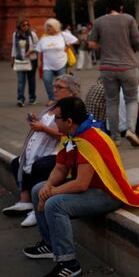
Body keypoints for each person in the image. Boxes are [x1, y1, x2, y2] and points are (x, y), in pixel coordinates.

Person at [23, 97, 139, 277]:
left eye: (57, 118)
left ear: (68, 122)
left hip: (107, 193)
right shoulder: (71, 134)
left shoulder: (89, 139)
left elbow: (81, 184)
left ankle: (69, 264)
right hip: (89, 188)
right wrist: (49, 186)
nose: (53, 121)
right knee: (38, 189)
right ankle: (50, 245)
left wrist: (51, 192)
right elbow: (60, 167)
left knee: (54, 204)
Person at [3, 75, 80, 228]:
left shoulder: (73, 108)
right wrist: (36, 121)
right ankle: (26, 201)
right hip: (42, 148)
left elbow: (68, 135)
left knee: (40, 165)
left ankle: (38, 207)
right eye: (55, 86)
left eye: (59, 87)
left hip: (59, 152)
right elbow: (46, 124)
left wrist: (42, 128)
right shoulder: (53, 106)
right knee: (18, 161)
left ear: (71, 91)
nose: (55, 89)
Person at [88, 0, 139, 147]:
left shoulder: (99, 21)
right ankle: (131, 130)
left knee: (112, 102)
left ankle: (115, 137)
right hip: (128, 66)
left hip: (107, 68)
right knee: (131, 99)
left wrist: (104, 47)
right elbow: (137, 41)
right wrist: (132, 49)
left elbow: (91, 44)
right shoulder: (129, 19)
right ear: (121, 7)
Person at [35, 18, 78, 106]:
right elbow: (39, 50)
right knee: (46, 80)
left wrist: (68, 46)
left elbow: (76, 40)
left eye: (50, 26)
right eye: (47, 26)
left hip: (61, 62)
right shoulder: (44, 37)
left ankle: (62, 98)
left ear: (55, 27)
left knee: (62, 82)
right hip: (47, 64)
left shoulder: (63, 35)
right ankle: (52, 98)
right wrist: (39, 61)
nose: (48, 28)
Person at [12, 18, 39, 107]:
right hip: (20, 60)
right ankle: (20, 99)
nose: (26, 27)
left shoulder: (32, 34)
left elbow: (38, 46)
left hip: (31, 60)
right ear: (19, 26)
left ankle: (32, 97)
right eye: (24, 25)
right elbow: (14, 48)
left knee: (31, 80)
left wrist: (31, 51)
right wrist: (12, 60)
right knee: (21, 81)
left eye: (27, 25)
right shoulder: (15, 35)